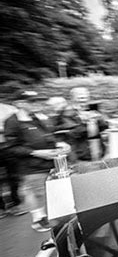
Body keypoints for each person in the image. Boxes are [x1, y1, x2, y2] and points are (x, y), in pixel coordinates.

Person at [4, 91, 70, 232]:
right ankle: (38, 220)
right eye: (32, 101)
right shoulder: (12, 121)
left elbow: (48, 136)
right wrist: (37, 153)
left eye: (38, 101)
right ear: (20, 103)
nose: (37, 104)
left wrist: (59, 144)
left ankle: (48, 216)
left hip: (48, 161)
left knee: (47, 190)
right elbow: (12, 148)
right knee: (34, 192)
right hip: (30, 166)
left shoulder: (35, 117)